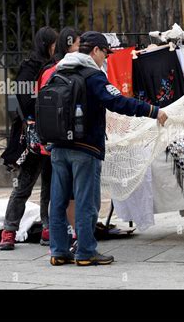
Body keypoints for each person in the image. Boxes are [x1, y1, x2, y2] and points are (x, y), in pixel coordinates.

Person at [49, 31, 168, 266]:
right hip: (85, 147)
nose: (106, 58)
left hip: (58, 145)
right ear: (95, 51)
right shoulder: (93, 75)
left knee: (59, 200)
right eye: (105, 53)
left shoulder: (59, 70)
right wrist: (152, 111)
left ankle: (59, 251)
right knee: (86, 201)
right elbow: (118, 102)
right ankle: (85, 253)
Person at [0, 26, 58, 251]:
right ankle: (9, 231)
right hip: (33, 139)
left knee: (51, 186)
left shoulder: (55, 66)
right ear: (46, 45)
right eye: (53, 44)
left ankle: (48, 228)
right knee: (24, 185)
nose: (55, 48)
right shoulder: (29, 68)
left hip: (53, 134)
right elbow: (22, 102)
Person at [36, 27, 82, 244]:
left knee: (58, 193)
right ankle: (74, 235)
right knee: (70, 192)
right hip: (71, 141)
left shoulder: (49, 71)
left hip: (53, 140)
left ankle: (57, 242)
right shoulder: (71, 71)